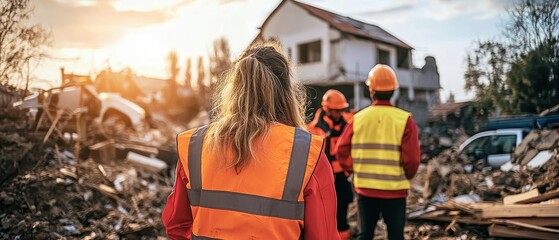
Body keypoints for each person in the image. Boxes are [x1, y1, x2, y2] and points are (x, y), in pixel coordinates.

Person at [162, 42, 339, 239]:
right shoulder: (307, 154)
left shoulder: (195, 147)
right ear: (286, 92)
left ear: (235, 87)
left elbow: (176, 227)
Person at [336, 64, 420, 240]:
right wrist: (405, 175)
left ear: (371, 91)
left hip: (365, 190)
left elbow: (341, 150)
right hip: (395, 191)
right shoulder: (405, 120)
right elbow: (412, 161)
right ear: (394, 91)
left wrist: (354, 169)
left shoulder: (357, 119)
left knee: (365, 234)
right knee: (395, 236)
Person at [307, 89, 354, 239]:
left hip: (342, 176)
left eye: (341, 110)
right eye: (335, 110)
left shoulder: (349, 123)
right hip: (323, 177)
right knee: (323, 213)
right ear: (327, 109)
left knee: (342, 210)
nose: (338, 114)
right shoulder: (314, 129)